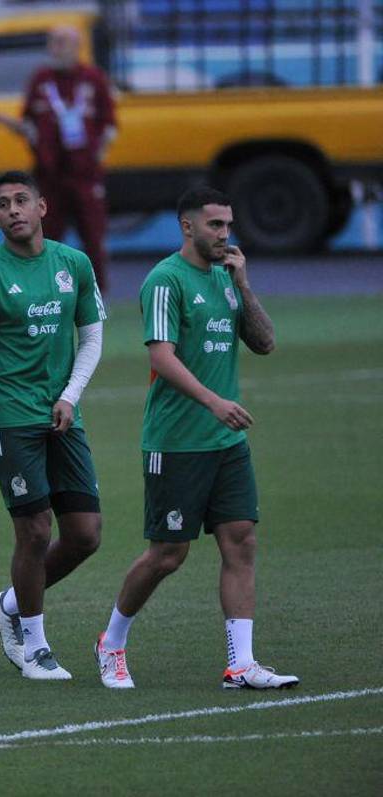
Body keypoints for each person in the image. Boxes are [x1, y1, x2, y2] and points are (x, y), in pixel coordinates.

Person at [94, 187, 298, 690]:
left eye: (227, 225)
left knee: (241, 542)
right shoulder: (165, 281)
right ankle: (112, 642)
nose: (224, 234)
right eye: (214, 225)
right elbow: (161, 357)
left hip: (225, 445)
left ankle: (241, 664)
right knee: (168, 555)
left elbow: (266, 343)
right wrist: (214, 402)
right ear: (187, 227)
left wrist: (245, 286)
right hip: (177, 442)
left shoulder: (227, 278)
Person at [0, 171, 106, 680]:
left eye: (23, 200)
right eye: (3, 204)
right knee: (35, 529)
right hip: (9, 417)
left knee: (85, 535)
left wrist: (70, 396)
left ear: (43, 207)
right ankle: (36, 649)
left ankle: (10, 604)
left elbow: (91, 338)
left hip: (62, 415)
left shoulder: (73, 264)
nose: (14, 209)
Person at [19, 25, 118, 292]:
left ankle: (97, 294)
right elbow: (27, 120)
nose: (56, 48)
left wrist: (96, 156)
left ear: (77, 46)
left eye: (62, 42)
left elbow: (109, 124)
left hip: (85, 173)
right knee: (47, 235)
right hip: (49, 174)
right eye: (52, 42)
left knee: (93, 235)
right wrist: (38, 148)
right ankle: (45, 291)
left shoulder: (93, 78)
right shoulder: (41, 79)